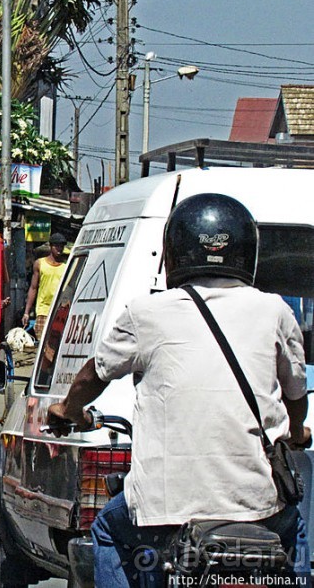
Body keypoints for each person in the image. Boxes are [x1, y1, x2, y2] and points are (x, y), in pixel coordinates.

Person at [45, 194, 311, 587]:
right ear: (246, 252)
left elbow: (92, 376)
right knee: (297, 535)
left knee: (105, 531)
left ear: (174, 253)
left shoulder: (146, 313)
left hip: (163, 509)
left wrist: (68, 409)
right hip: (255, 503)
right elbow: (295, 396)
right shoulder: (274, 311)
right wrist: (294, 432)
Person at [22, 233, 67, 340]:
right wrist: (26, 312)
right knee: (42, 342)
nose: (59, 249)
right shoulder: (40, 264)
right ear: (51, 247)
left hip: (60, 311)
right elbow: (33, 288)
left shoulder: (66, 266)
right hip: (43, 310)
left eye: (61, 246)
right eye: (57, 246)